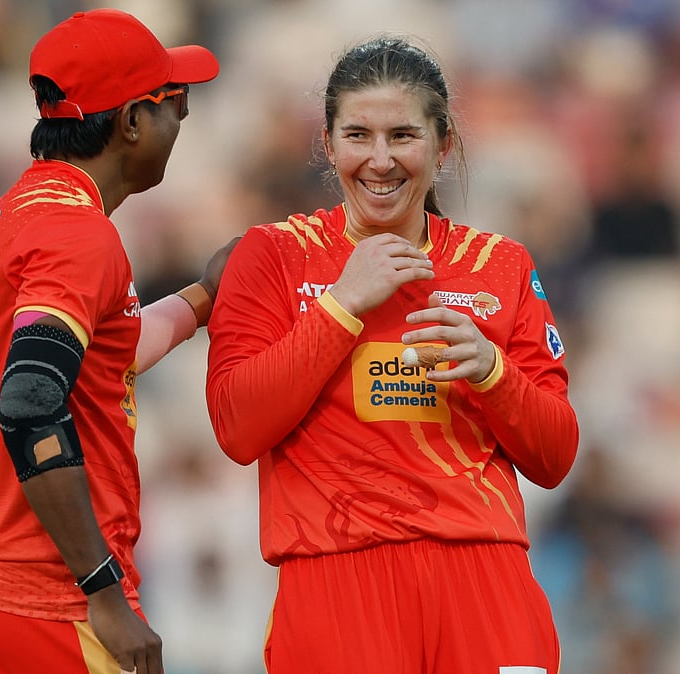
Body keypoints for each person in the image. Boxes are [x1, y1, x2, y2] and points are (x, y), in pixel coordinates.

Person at [205, 36, 579, 673]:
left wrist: (493, 372)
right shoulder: (274, 256)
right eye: (358, 136)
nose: (380, 161)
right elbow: (238, 428)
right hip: (337, 579)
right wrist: (341, 304)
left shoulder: (500, 265)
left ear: (443, 146)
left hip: (485, 578)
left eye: (403, 135)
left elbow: (555, 456)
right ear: (328, 145)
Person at [0, 10, 227, 674]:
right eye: (174, 102)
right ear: (131, 122)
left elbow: (100, 358)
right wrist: (104, 591)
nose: (182, 118)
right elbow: (31, 401)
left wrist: (204, 297)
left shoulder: (9, 213)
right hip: (43, 591)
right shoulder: (79, 233)